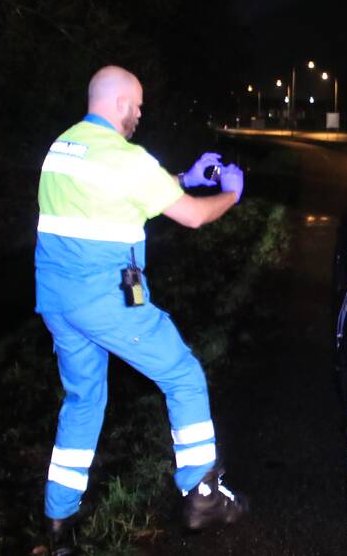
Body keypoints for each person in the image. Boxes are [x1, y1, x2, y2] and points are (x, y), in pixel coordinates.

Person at [34, 65, 247, 555]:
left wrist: (187, 177)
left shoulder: (62, 147)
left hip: (57, 301)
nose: (140, 115)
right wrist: (230, 193)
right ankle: (202, 494)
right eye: (138, 106)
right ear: (121, 103)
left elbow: (132, 190)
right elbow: (192, 216)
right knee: (183, 375)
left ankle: (57, 523)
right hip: (105, 300)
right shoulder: (124, 157)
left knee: (83, 402)